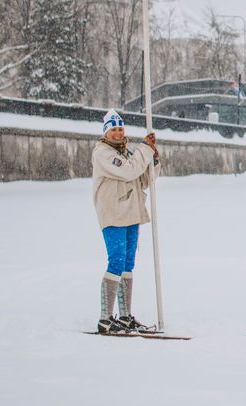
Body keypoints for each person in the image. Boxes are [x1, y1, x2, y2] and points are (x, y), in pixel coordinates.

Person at [91, 109, 160, 334]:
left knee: (128, 263)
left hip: (131, 213)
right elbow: (129, 171)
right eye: (114, 129)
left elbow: (144, 179)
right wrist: (145, 149)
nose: (118, 133)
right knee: (117, 261)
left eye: (121, 128)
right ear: (106, 132)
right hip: (114, 213)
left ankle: (125, 316)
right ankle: (105, 319)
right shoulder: (102, 154)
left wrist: (153, 159)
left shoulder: (128, 153)